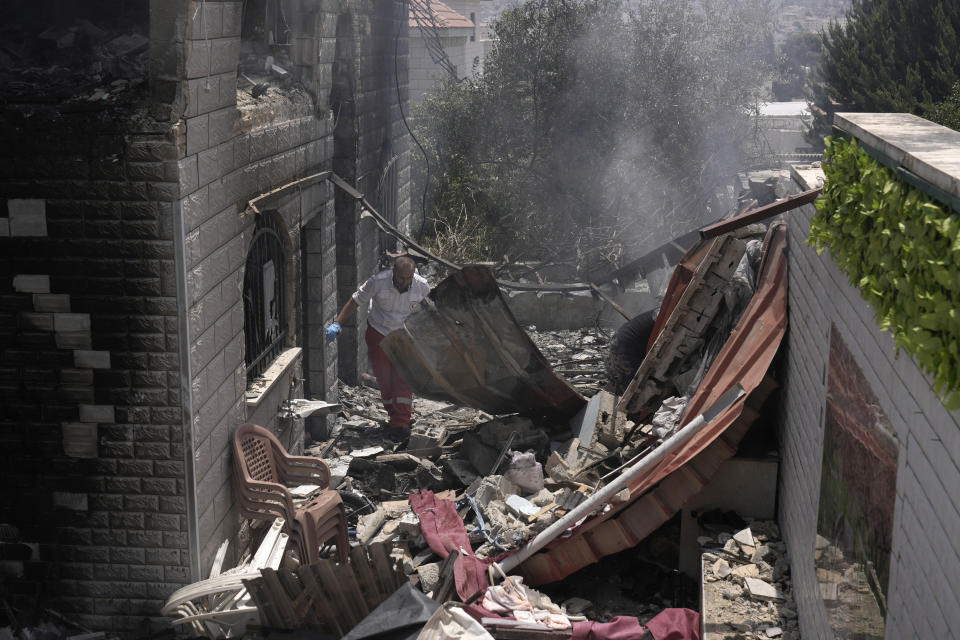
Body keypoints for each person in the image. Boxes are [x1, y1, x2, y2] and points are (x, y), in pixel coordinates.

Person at [325, 256, 430, 438]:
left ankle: (401, 422)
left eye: (409, 278)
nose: (405, 282)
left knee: (403, 378)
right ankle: (393, 415)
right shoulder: (378, 282)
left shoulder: (422, 286)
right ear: (393, 273)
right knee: (385, 378)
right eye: (401, 278)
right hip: (379, 333)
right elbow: (355, 301)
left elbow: (430, 312)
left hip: (405, 336)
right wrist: (337, 323)